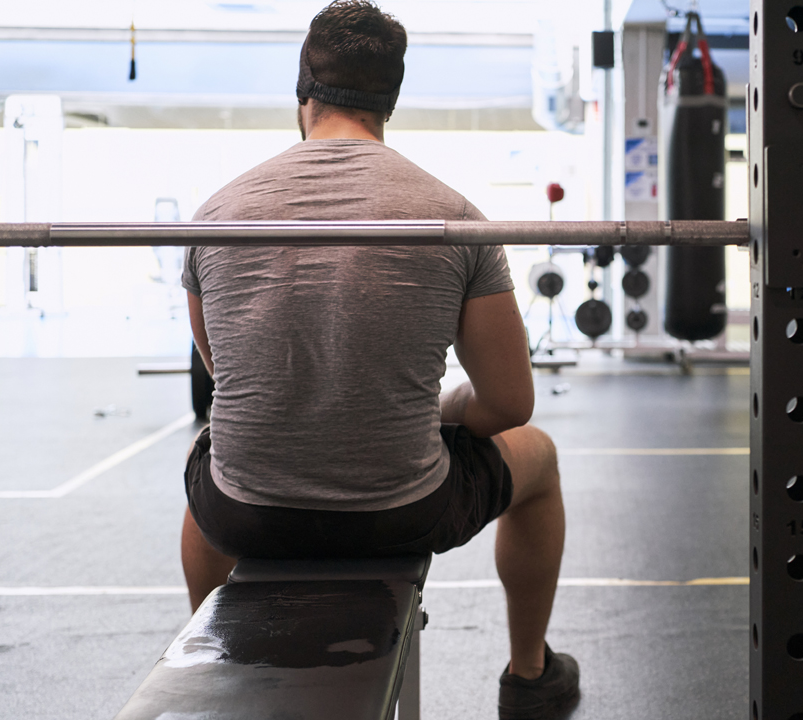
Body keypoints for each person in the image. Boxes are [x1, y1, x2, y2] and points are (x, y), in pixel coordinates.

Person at [178, 2, 578, 718]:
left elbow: (224, 374)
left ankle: (219, 664)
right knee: (538, 459)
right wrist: (441, 407)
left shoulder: (215, 213)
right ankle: (530, 676)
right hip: (402, 511)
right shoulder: (453, 215)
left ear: (303, 93)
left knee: (211, 464)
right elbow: (511, 406)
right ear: (390, 102)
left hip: (246, 517)